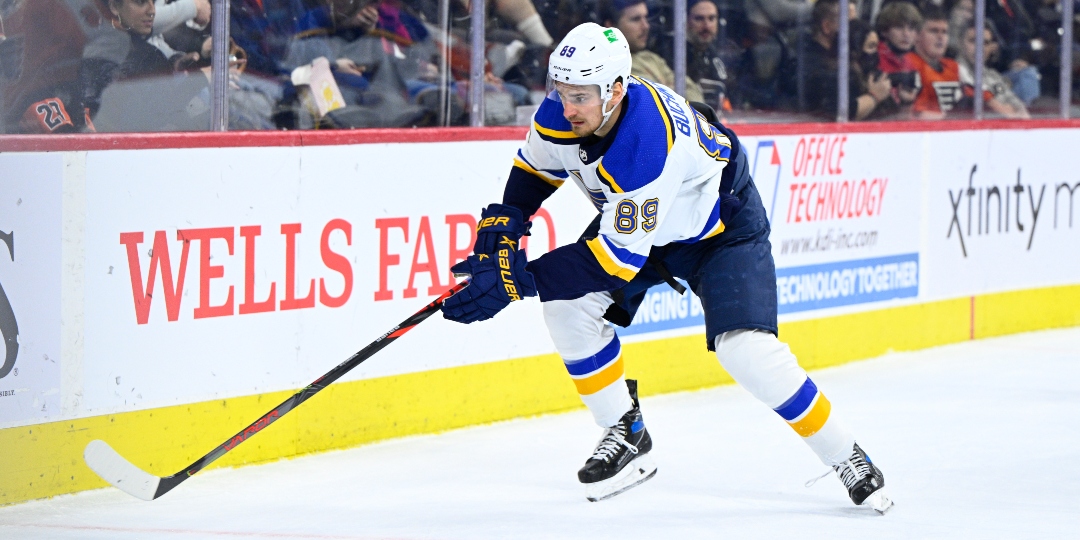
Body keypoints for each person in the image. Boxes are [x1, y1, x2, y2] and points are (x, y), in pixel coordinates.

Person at [440, 22, 895, 514]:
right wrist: (507, 226)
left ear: (615, 90)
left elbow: (614, 262)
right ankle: (624, 430)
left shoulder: (646, 144)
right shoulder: (564, 111)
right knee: (567, 306)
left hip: (719, 231)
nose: (567, 108)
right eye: (561, 92)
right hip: (643, 224)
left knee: (747, 352)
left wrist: (518, 279)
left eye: (581, 97)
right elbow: (535, 167)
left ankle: (845, 453)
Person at [601, 0, 704, 103]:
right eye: (636, 19)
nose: (646, 26)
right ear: (610, 27)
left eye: (646, 18)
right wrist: (669, 87)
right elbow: (654, 103)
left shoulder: (651, 58)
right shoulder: (606, 65)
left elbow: (692, 92)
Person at [955, 21, 1029, 119]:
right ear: (960, 43)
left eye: (985, 43)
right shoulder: (952, 72)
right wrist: (1004, 109)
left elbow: (1020, 109)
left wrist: (1005, 110)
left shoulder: (993, 76)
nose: (979, 47)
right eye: (973, 41)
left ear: (991, 47)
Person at [875, 1, 920, 113]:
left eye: (911, 29)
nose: (906, 34)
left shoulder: (910, 62)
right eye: (899, 27)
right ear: (885, 31)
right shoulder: (874, 58)